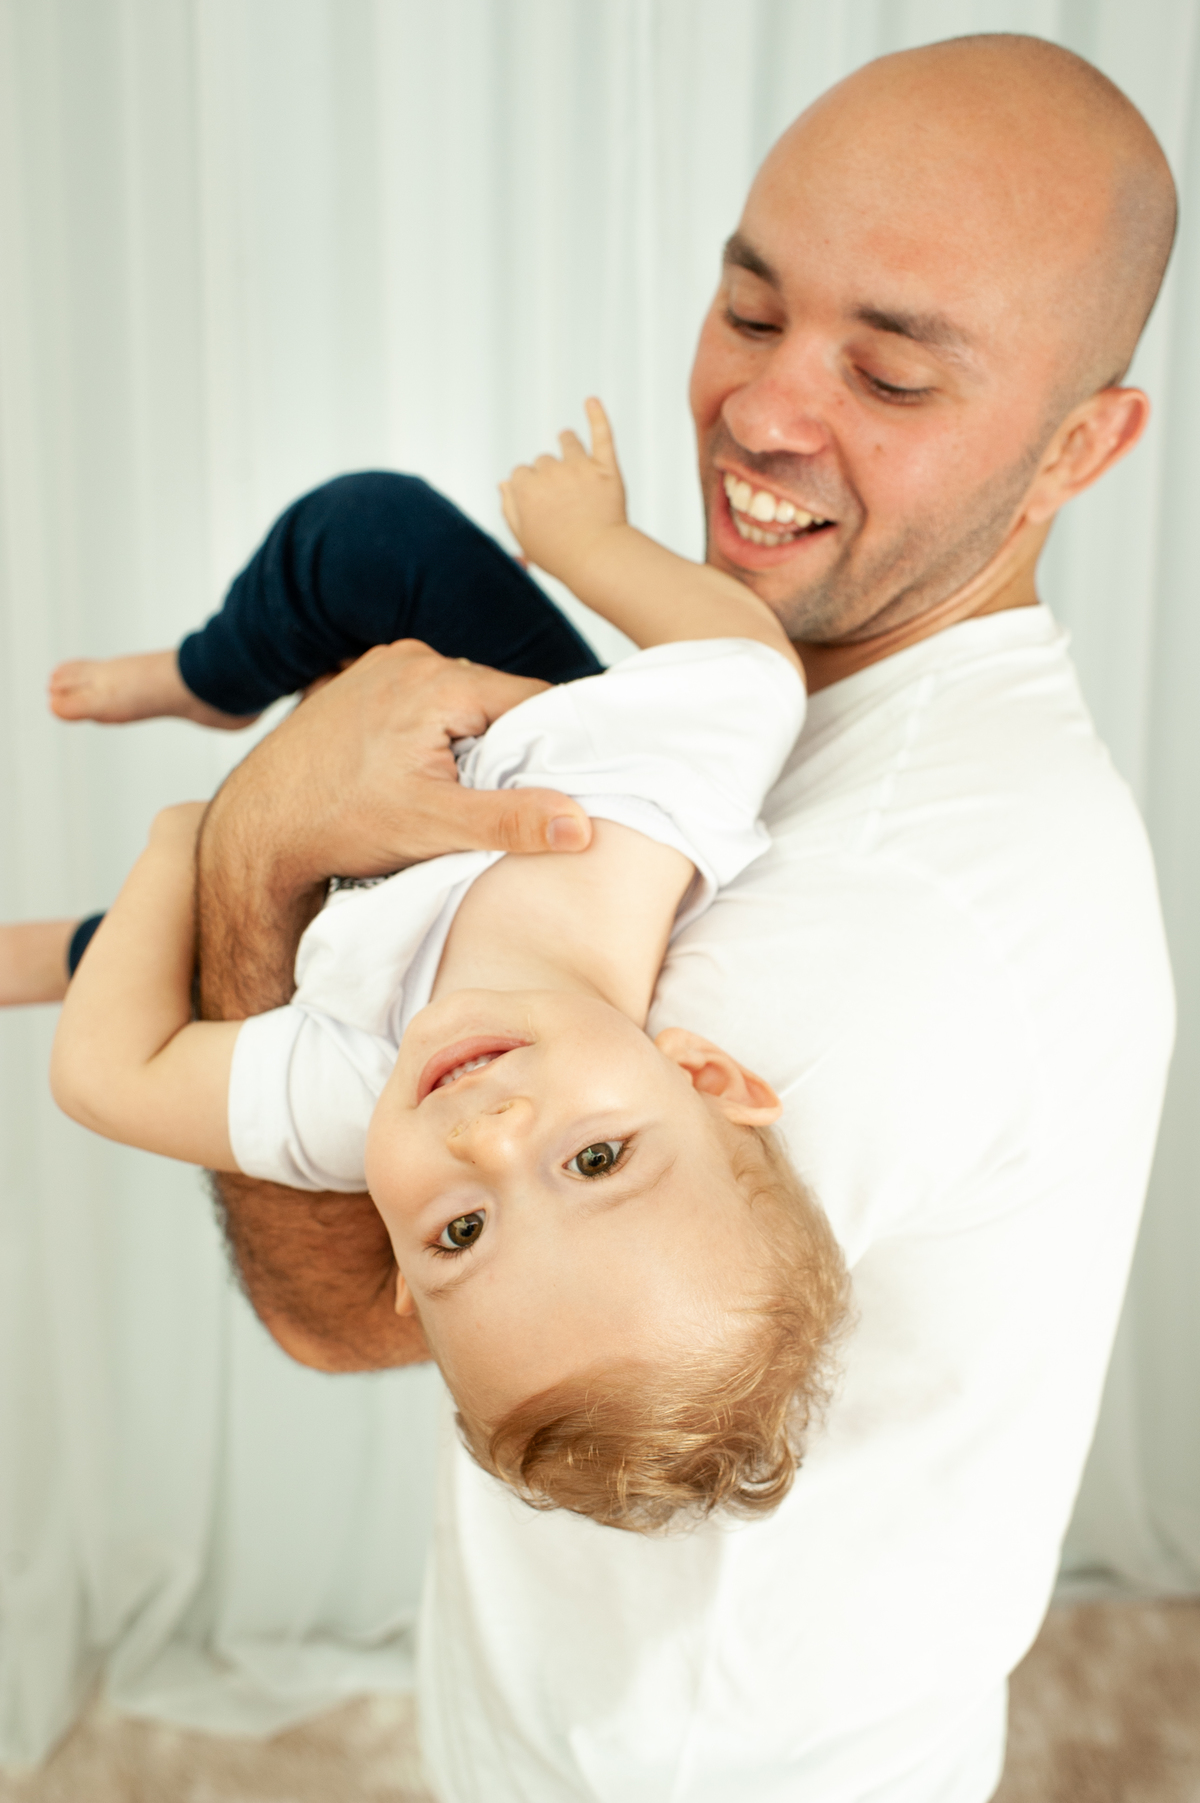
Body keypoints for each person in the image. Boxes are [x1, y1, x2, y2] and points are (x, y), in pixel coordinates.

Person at [20, 28, 1179, 1802]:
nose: (769, 412)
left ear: (1080, 443)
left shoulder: (888, 929)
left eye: (893, 373)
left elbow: (346, 1309)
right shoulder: (773, 708)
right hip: (588, 1708)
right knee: (375, 553)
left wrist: (254, 841)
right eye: (752, 305)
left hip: (682, 1767)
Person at [47, 403, 847, 1532]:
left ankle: (53, 950)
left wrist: (197, 838)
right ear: (705, 1078)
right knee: (370, 530)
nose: (491, 1134)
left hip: (323, 870)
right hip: (524, 743)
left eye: (461, 1232)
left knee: (168, 966)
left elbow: (106, 1074)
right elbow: (747, 664)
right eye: (597, 1157)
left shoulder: (360, 1097)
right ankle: (208, 674)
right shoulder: (657, 795)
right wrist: (590, 545)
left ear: (405, 1283)